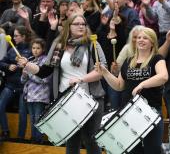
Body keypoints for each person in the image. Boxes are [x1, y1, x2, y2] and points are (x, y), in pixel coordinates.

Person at [18, 14, 107, 154]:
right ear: (68, 27)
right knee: (72, 140)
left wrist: (81, 79)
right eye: (77, 24)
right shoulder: (59, 45)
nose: (81, 26)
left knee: (90, 139)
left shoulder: (93, 43)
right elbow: (44, 71)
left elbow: (102, 71)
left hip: (92, 98)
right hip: (66, 99)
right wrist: (27, 65)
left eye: (83, 24)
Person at [99, 27, 168, 154]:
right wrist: (105, 72)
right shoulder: (128, 60)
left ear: (152, 42)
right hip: (129, 113)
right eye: (139, 38)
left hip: (150, 111)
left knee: (152, 150)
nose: (141, 40)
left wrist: (142, 84)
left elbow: (163, 76)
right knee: (132, 151)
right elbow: (119, 85)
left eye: (145, 38)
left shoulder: (157, 59)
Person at [0, 26, 32, 141]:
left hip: (24, 87)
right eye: (13, 36)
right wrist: (8, 66)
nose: (14, 38)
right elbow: (1, 63)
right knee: (0, 106)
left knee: (22, 113)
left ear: (23, 37)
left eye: (16, 36)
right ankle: (5, 131)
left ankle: (21, 137)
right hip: (10, 85)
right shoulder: (12, 50)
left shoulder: (31, 50)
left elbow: (35, 65)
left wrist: (26, 63)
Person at [21, 38, 51, 143]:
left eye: (38, 48)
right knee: (32, 118)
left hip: (41, 96)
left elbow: (44, 79)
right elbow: (22, 80)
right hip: (29, 95)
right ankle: (34, 138)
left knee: (38, 118)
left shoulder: (45, 60)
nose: (35, 50)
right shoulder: (30, 60)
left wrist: (29, 73)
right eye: (33, 48)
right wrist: (24, 73)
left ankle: (39, 139)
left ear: (43, 49)